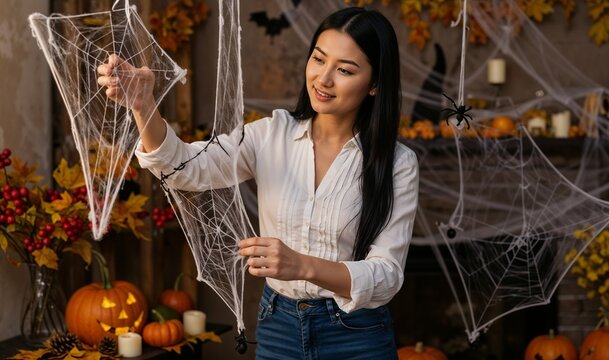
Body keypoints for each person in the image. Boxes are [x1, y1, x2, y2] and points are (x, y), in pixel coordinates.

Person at [97, 6, 418, 359]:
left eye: (344, 70)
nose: (323, 79)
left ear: (374, 84)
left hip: (358, 334)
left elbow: (386, 275)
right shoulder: (269, 135)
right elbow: (184, 168)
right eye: (318, 59)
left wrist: (302, 265)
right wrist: (143, 106)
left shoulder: (397, 164)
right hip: (279, 325)